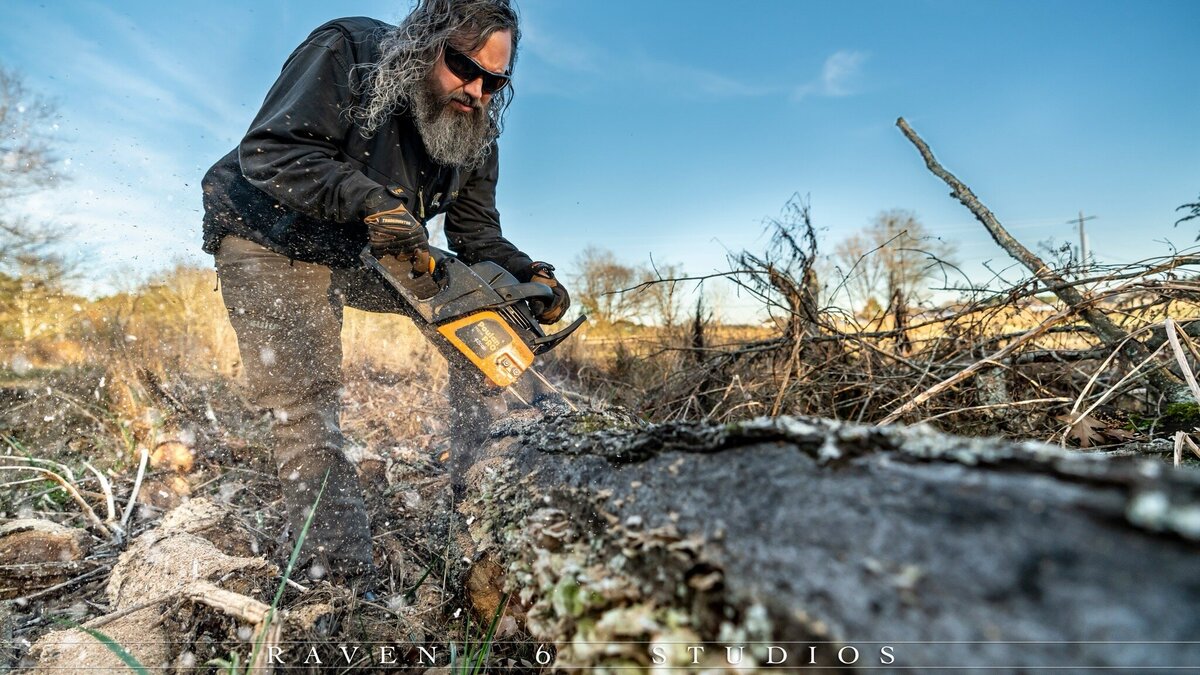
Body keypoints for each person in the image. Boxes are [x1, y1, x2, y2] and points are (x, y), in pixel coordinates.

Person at [199, 0, 569, 591]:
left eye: (494, 80)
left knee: (485, 314)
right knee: (306, 401)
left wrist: (529, 276)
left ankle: (482, 498)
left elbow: (475, 235)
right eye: (463, 66)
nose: (476, 89)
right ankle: (345, 582)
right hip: (269, 230)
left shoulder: (475, 133)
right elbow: (272, 151)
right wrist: (370, 200)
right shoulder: (349, 51)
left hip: (362, 242)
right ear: (426, 43)